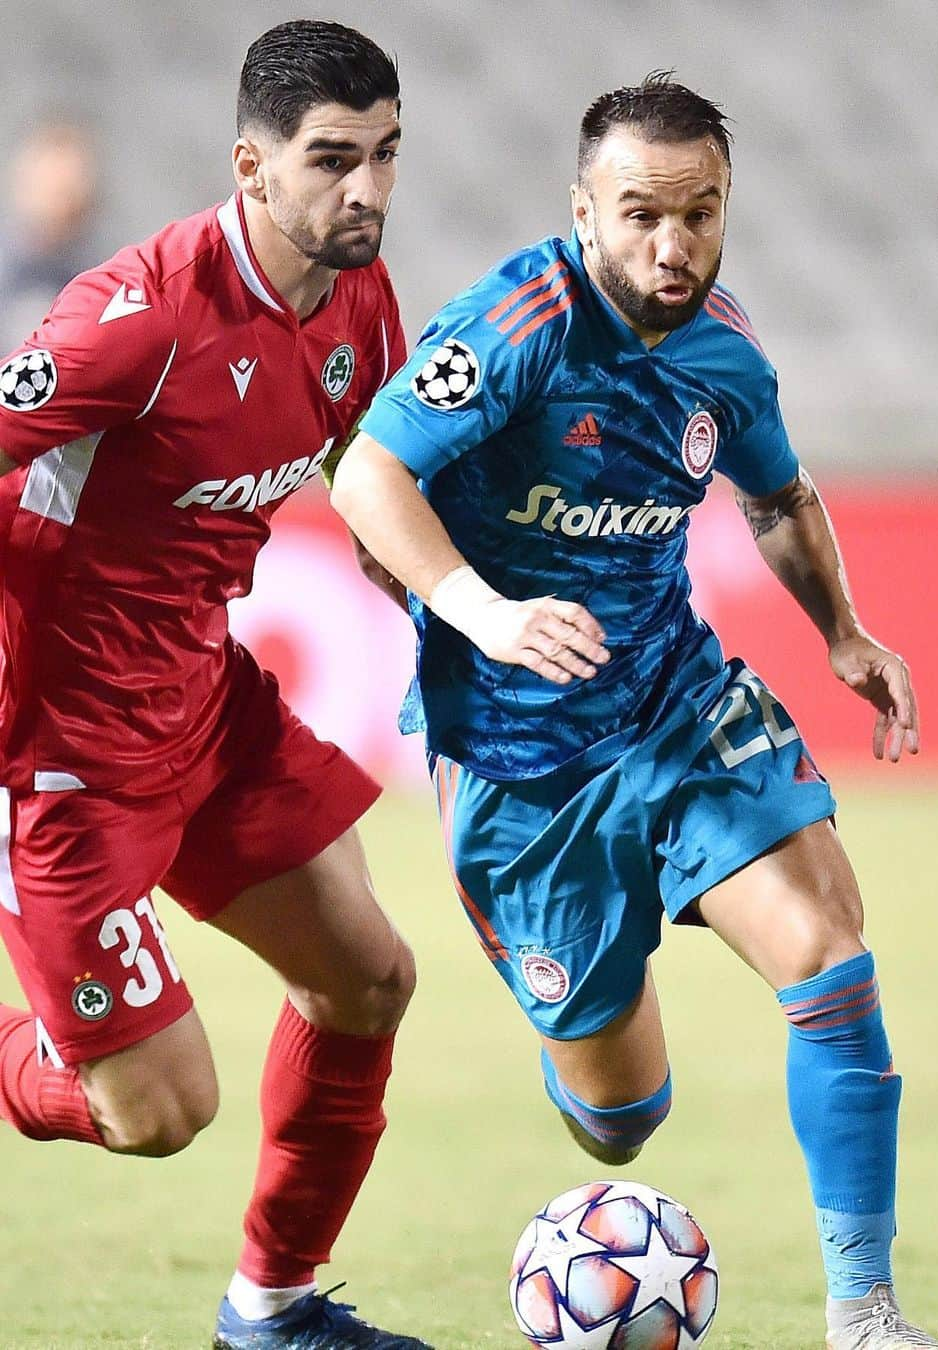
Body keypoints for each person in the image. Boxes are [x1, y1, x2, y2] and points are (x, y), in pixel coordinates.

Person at [330, 75, 938, 1350]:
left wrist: (843, 630)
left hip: (677, 704)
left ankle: (866, 1314)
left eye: (701, 213)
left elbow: (777, 500)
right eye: (640, 216)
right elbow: (373, 472)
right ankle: (598, 1094)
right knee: (621, 1119)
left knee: (830, 955)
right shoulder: (515, 323)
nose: (673, 247)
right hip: (519, 766)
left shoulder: (724, 348)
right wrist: (482, 609)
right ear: (583, 211)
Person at [0, 20, 432, 1350]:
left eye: (386, 155)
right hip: (59, 755)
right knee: (160, 1112)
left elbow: (372, 488)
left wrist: (462, 607)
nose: (364, 190)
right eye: (331, 160)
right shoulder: (129, 319)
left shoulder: (360, 298)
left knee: (367, 978)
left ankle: (274, 1313)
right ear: (251, 164)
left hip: (204, 701)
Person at [0, 119, 101, 354]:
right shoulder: (8, 268)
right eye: (57, 190)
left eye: (72, 191)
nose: (67, 203)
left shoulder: (95, 279)